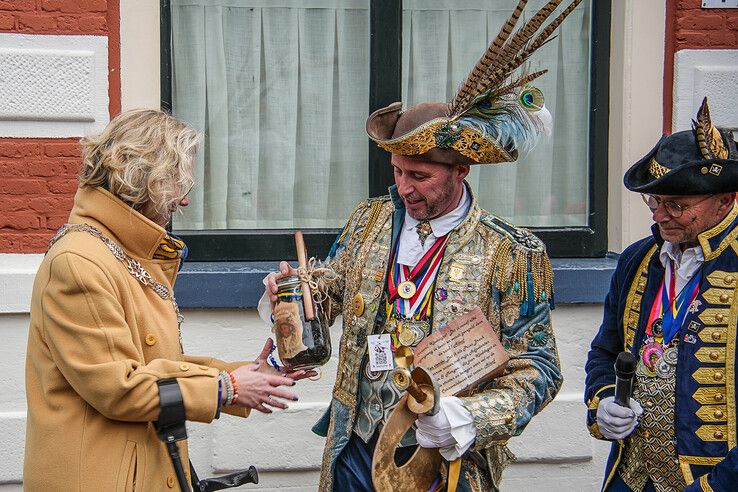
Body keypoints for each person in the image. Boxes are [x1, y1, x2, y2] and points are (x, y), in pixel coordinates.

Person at [263, 2, 584, 489]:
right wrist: (291, 294)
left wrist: (467, 417)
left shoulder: (512, 251)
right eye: (396, 171)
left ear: (461, 171)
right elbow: (325, 298)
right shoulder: (369, 220)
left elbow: (538, 367)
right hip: (355, 446)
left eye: (420, 176)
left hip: (444, 460)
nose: (404, 187)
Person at [23, 109, 308, 491]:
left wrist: (251, 374)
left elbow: (155, 364)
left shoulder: (116, 251)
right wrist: (227, 388)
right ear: (145, 180)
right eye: (177, 182)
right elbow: (118, 387)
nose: (185, 200)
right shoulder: (79, 262)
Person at [584, 97, 738, 491]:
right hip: (632, 476)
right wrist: (603, 401)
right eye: (654, 201)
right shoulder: (638, 259)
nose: (658, 215)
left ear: (726, 200)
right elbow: (606, 350)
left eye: (676, 205)